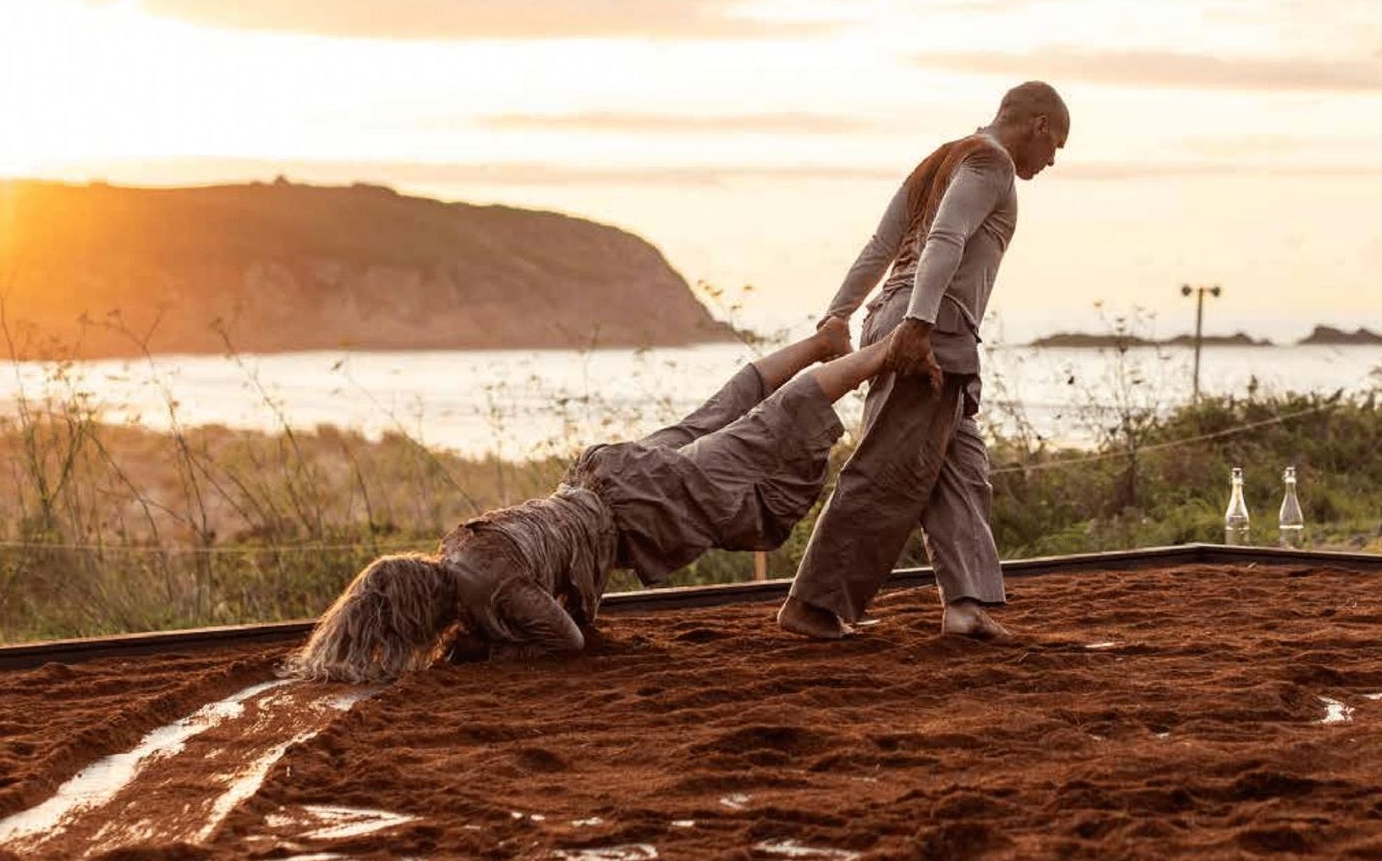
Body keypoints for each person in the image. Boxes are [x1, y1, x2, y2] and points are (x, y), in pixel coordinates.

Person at [283, 319, 901, 682]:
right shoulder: (460, 544)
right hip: (598, 474)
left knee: (760, 433)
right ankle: (824, 342)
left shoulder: (495, 591)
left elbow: (566, 640)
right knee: (723, 411)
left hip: (636, 506)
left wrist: (496, 653)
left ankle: (887, 350)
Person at [777, 81, 1070, 642]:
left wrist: (838, 317)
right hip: (930, 325)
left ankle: (965, 605)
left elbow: (879, 247)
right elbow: (945, 238)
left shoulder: (939, 160)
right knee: (888, 469)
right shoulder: (992, 163)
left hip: (911, 319)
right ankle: (812, 605)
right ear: (1037, 125)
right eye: (1055, 144)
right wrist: (918, 324)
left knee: (962, 468)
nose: (1052, 159)